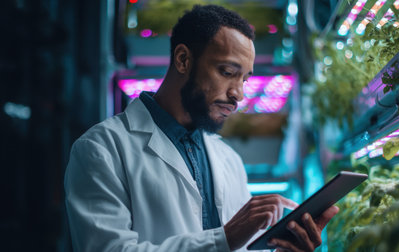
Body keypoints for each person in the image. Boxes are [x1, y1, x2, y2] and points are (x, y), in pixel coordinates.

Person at [65, 4, 339, 252]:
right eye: (227, 72)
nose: (239, 93)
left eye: (244, 78)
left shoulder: (228, 159)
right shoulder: (101, 149)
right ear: (183, 59)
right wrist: (224, 239)